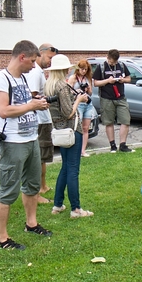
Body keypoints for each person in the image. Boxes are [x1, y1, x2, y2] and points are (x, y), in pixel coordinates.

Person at [0, 40, 52, 250]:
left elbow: (23, 101)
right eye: (32, 61)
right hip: (13, 142)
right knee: (8, 190)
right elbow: (4, 110)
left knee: (32, 186)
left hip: (31, 139)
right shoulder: (0, 79)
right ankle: (2, 238)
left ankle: (31, 224)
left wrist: (36, 100)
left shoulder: (24, 79)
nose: (34, 65)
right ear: (22, 57)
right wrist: (31, 105)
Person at [44, 54, 93, 218]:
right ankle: (76, 209)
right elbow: (68, 113)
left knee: (65, 168)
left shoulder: (49, 86)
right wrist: (78, 100)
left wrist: (74, 96)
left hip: (59, 131)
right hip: (71, 131)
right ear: (64, 70)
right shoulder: (62, 87)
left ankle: (57, 204)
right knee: (73, 170)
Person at [26, 43, 58, 203]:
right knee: (39, 155)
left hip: (43, 119)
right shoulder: (35, 73)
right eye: (49, 57)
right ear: (41, 53)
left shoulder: (38, 72)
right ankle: (37, 190)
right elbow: (32, 97)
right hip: (39, 121)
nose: (50, 61)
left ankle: (43, 186)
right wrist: (44, 101)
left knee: (43, 156)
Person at [92, 49, 134, 153]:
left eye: (115, 62)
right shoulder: (101, 67)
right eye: (111, 62)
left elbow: (129, 79)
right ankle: (112, 145)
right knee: (109, 122)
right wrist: (108, 81)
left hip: (120, 97)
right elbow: (96, 83)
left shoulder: (121, 65)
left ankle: (123, 145)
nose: (113, 63)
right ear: (108, 57)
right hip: (106, 98)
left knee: (125, 120)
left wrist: (122, 80)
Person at [68, 59, 97, 157]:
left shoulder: (88, 78)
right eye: (82, 69)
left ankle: (83, 151)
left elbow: (91, 93)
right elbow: (67, 91)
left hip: (87, 104)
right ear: (78, 69)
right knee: (77, 127)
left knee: (85, 128)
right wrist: (76, 91)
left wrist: (88, 89)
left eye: (85, 69)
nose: (84, 71)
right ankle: (75, 150)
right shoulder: (73, 78)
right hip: (78, 103)